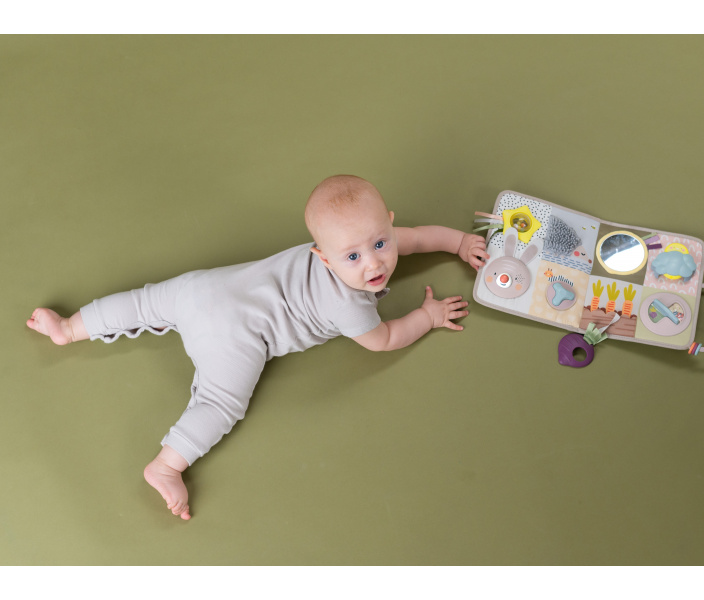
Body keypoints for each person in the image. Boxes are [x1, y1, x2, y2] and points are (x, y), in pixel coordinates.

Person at [25, 175, 489, 520]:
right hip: (236, 334)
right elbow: (383, 340)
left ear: (388, 222)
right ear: (322, 257)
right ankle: (166, 465)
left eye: (381, 243)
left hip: (206, 289)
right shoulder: (349, 304)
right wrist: (427, 317)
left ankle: (68, 328)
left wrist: (460, 242)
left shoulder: (362, 242)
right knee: (220, 402)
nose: (374, 264)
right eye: (353, 256)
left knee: (145, 302)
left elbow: (417, 237)